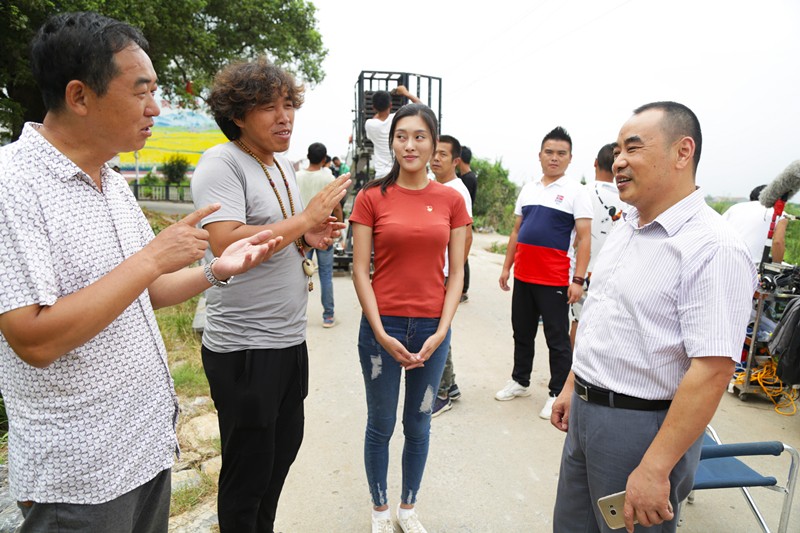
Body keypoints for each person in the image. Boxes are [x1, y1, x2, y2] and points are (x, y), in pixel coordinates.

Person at [0, 12, 280, 533]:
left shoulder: (110, 178)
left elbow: (144, 291)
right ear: (80, 96)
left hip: (144, 451)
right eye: (141, 92)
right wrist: (151, 257)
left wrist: (215, 271)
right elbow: (32, 338)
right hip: (79, 477)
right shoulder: (13, 183)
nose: (156, 108)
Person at [551, 101, 756, 533]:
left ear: (683, 153)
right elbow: (603, 312)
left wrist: (656, 467)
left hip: (640, 429)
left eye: (634, 148)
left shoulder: (712, 247)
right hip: (588, 414)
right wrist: (574, 382)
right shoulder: (629, 224)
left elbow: (713, 369)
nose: (619, 160)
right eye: (619, 150)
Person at [190, 58, 349, 533]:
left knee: (280, 456)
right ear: (238, 115)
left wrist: (308, 239)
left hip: (285, 339)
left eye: (288, 105)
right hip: (243, 347)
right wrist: (304, 220)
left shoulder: (279, 163)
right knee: (248, 474)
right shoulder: (220, 163)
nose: (285, 117)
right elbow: (227, 242)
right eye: (268, 107)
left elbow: (275, 232)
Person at [350, 104, 470, 533]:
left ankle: (408, 508)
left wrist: (441, 330)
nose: (410, 144)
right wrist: (380, 331)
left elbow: (456, 273)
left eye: (420, 136)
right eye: (402, 135)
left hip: (431, 330)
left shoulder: (452, 201)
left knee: (419, 424)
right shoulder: (371, 198)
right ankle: (380, 510)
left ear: (435, 144)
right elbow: (361, 271)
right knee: (380, 425)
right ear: (391, 141)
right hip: (383, 330)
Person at [496, 127, 592, 420]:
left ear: (570, 158)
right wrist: (506, 266)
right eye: (549, 152)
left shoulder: (577, 192)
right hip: (524, 275)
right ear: (540, 155)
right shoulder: (529, 188)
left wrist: (578, 280)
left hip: (554, 278)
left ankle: (556, 393)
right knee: (521, 332)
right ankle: (520, 381)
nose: (554, 158)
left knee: (557, 339)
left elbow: (585, 238)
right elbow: (516, 230)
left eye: (561, 153)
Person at [429, 134, 473, 417]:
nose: (435, 158)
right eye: (434, 153)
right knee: (437, 328)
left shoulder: (458, 191)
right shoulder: (434, 186)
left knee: (436, 331)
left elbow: (466, 236)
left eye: (442, 154)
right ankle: (451, 385)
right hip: (432, 270)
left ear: (455, 160)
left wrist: (452, 273)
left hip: (443, 273)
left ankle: (442, 393)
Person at [569, 142, 628, 348]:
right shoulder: (627, 197)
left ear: (595, 163)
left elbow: (575, 237)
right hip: (614, 273)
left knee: (578, 320)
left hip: (583, 272)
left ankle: (573, 369)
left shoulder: (583, 192)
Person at [297, 142, 343, 327]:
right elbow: (337, 205)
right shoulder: (328, 176)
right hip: (324, 232)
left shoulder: (297, 176)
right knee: (325, 274)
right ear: (324, 159)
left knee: (298, 276)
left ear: (308, 156)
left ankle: (297, 315)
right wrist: (339, 230)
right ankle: (328, 316)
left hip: (301, 233)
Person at [722, 184, 788, 264]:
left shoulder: (734, 207)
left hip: (721, 259)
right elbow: (778, 242)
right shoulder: (779, 214)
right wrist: (776, 268)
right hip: (750, 266)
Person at [364, 86, 421, 179]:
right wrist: (406, 93)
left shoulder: (369, 124)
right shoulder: (397, 118)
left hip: (381, 176)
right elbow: (421, 107)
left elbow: (376, 118)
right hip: (399, 174)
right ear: (391, 105)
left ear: (373, 108)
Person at [457, 145, 477, 302]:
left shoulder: (469, 179)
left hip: (464, 220)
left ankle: (463, 289)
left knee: (463, 252)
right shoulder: (460, 177)